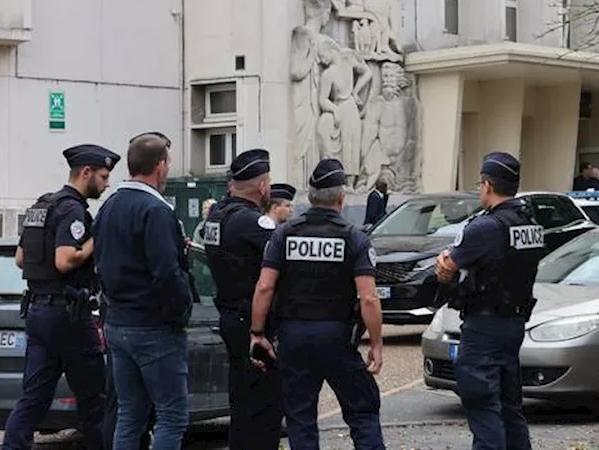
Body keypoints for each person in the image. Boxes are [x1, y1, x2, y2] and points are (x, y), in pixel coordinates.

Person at [249, 158, 385, 450]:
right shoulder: (354, 238)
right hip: (338, 337)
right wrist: (376, 342)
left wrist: (257, 333)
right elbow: (369, 298)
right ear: (341, 197)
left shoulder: (284, 234)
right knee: (362, 412)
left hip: (294, 337)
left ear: (311, 197)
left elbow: (264, 286)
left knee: (300, 418)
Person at [3, 144, 119, 450]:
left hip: (39, 314)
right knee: (94, 401)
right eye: (104, 177)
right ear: (86, 173)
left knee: (32, 399)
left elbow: (20, 258)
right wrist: (97, 239)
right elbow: (65, 259)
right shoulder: (72, 209)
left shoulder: (42, 205)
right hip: (69, 317)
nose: (107, 184)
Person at [435, 152, 544, 450]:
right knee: (510, 409)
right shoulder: (529, 223)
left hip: (484, 326)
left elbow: (446, 268)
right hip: (514, 323)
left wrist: (444, 262)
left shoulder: (485, 227)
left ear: (487, 185)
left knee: (483, 408)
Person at [94, 132, 194, 450]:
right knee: (172, 415)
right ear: (160, 166)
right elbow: (167, 272)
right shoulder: (156, 210)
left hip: (118, 322)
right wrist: (182, 308)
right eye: (167, 163)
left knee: (130, 414)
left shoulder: (108, 207)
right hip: (153, 326)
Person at [198, 149, 283, 449]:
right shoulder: (254, 223)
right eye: (268, 181)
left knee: (241, 402)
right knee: (264, 407)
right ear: (262, 187)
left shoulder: (216, 218)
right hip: (254, 321)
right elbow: (279, 268)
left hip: (230, 315)